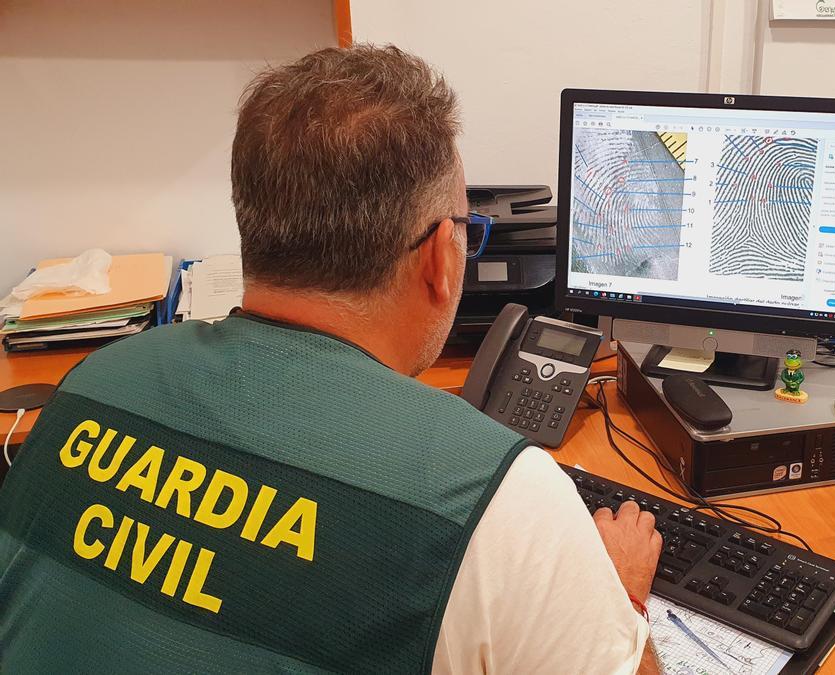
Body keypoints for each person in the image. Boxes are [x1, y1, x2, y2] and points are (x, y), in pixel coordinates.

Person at [0, 45, 662, 674]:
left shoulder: (97, 382)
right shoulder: (502, 501)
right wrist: (614, 600)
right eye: (467, 227)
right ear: (440, 256)